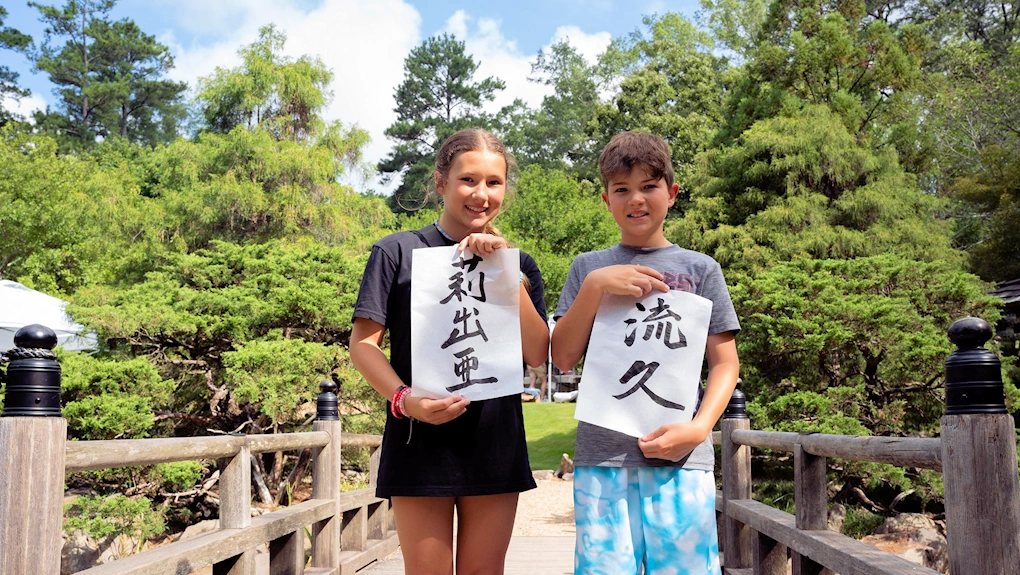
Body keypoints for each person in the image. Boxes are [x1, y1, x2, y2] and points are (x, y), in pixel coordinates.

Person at [349, 128, 550, 575]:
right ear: (440, 182)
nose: (482, 194)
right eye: (468, 180)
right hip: (418, 439)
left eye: (494, 182)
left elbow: (537, 353)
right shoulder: (396, 251)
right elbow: (363, 346)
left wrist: (503, 268)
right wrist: (404, 399)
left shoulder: (519, 262)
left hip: (494, 439)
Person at [550, 132, 740, 575]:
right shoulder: (586, 267)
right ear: (606, 200)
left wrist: (698, 430)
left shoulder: (701, 269)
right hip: (602, 459)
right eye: (622, 189)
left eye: (649, 186)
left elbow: (725, 362)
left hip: (682, 458)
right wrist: (596, 287)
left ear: (671, 194)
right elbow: (561, 358)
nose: (636, 199)